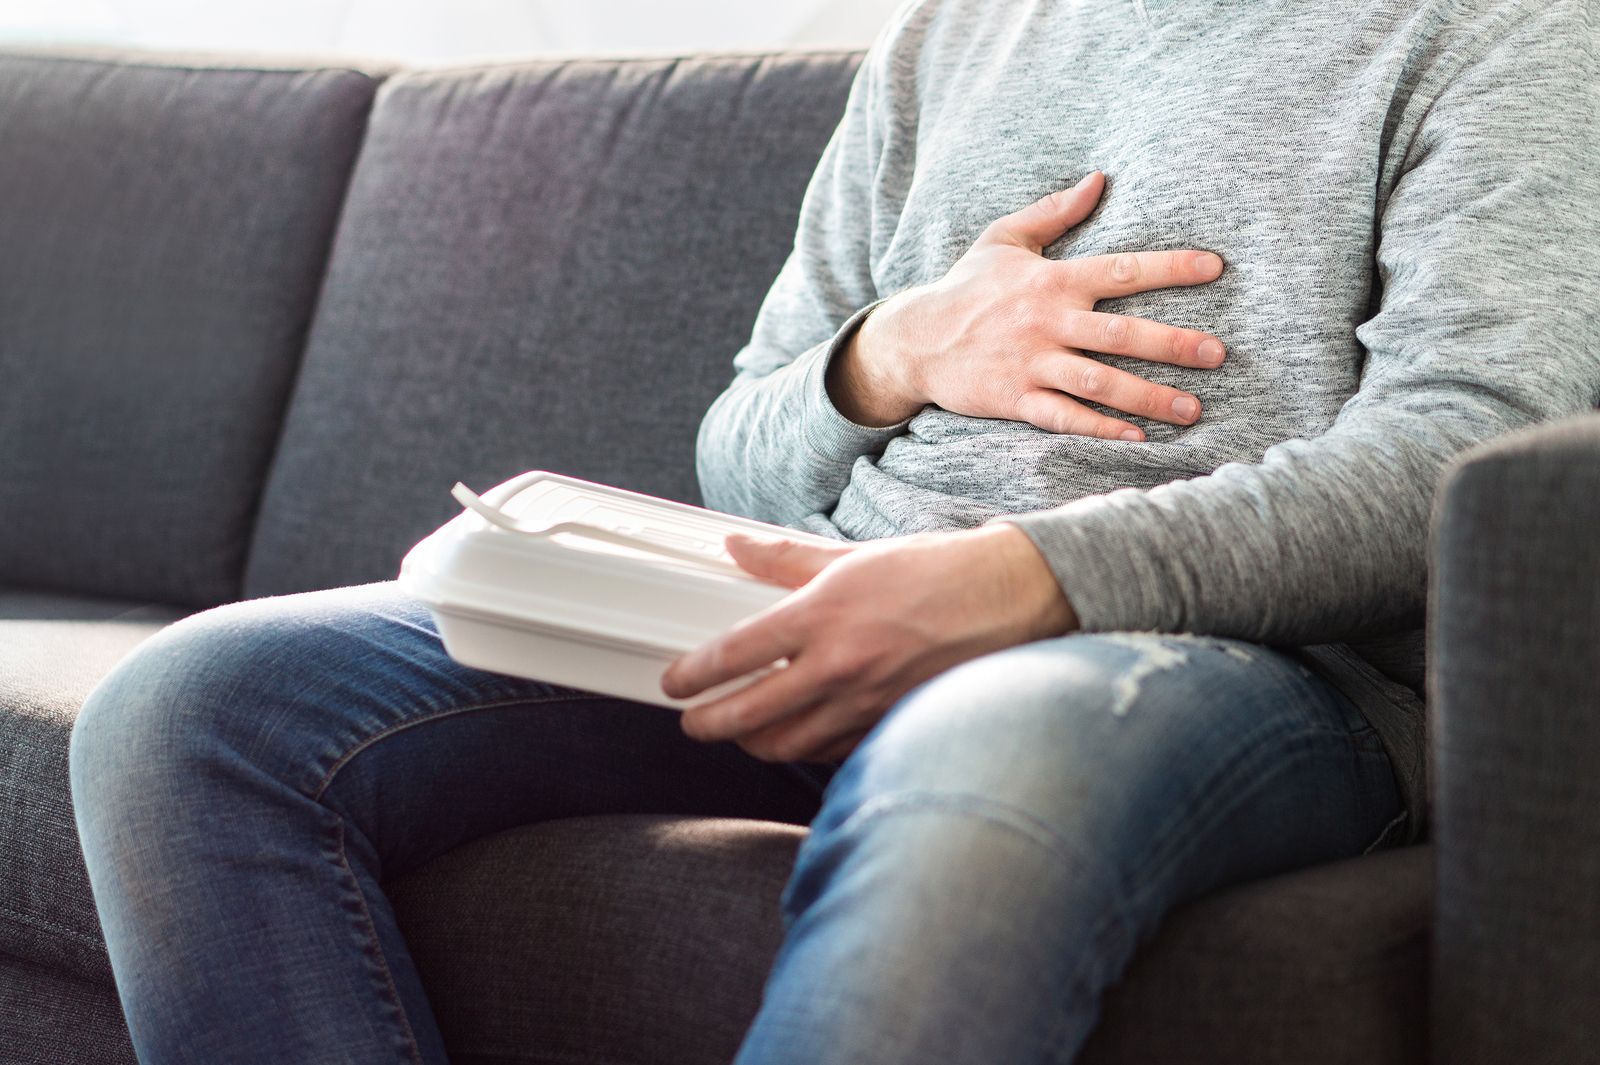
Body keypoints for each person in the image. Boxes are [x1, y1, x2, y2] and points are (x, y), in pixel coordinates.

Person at [70, 0, 1598, 1063]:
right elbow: (740, 444)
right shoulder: (953, 33)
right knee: (191, 708)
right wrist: (895, 354)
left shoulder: (1505, 31)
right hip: (828, 595)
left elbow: (1464, 461)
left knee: (984, 755)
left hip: (1215, 664)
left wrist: (1020, 582)